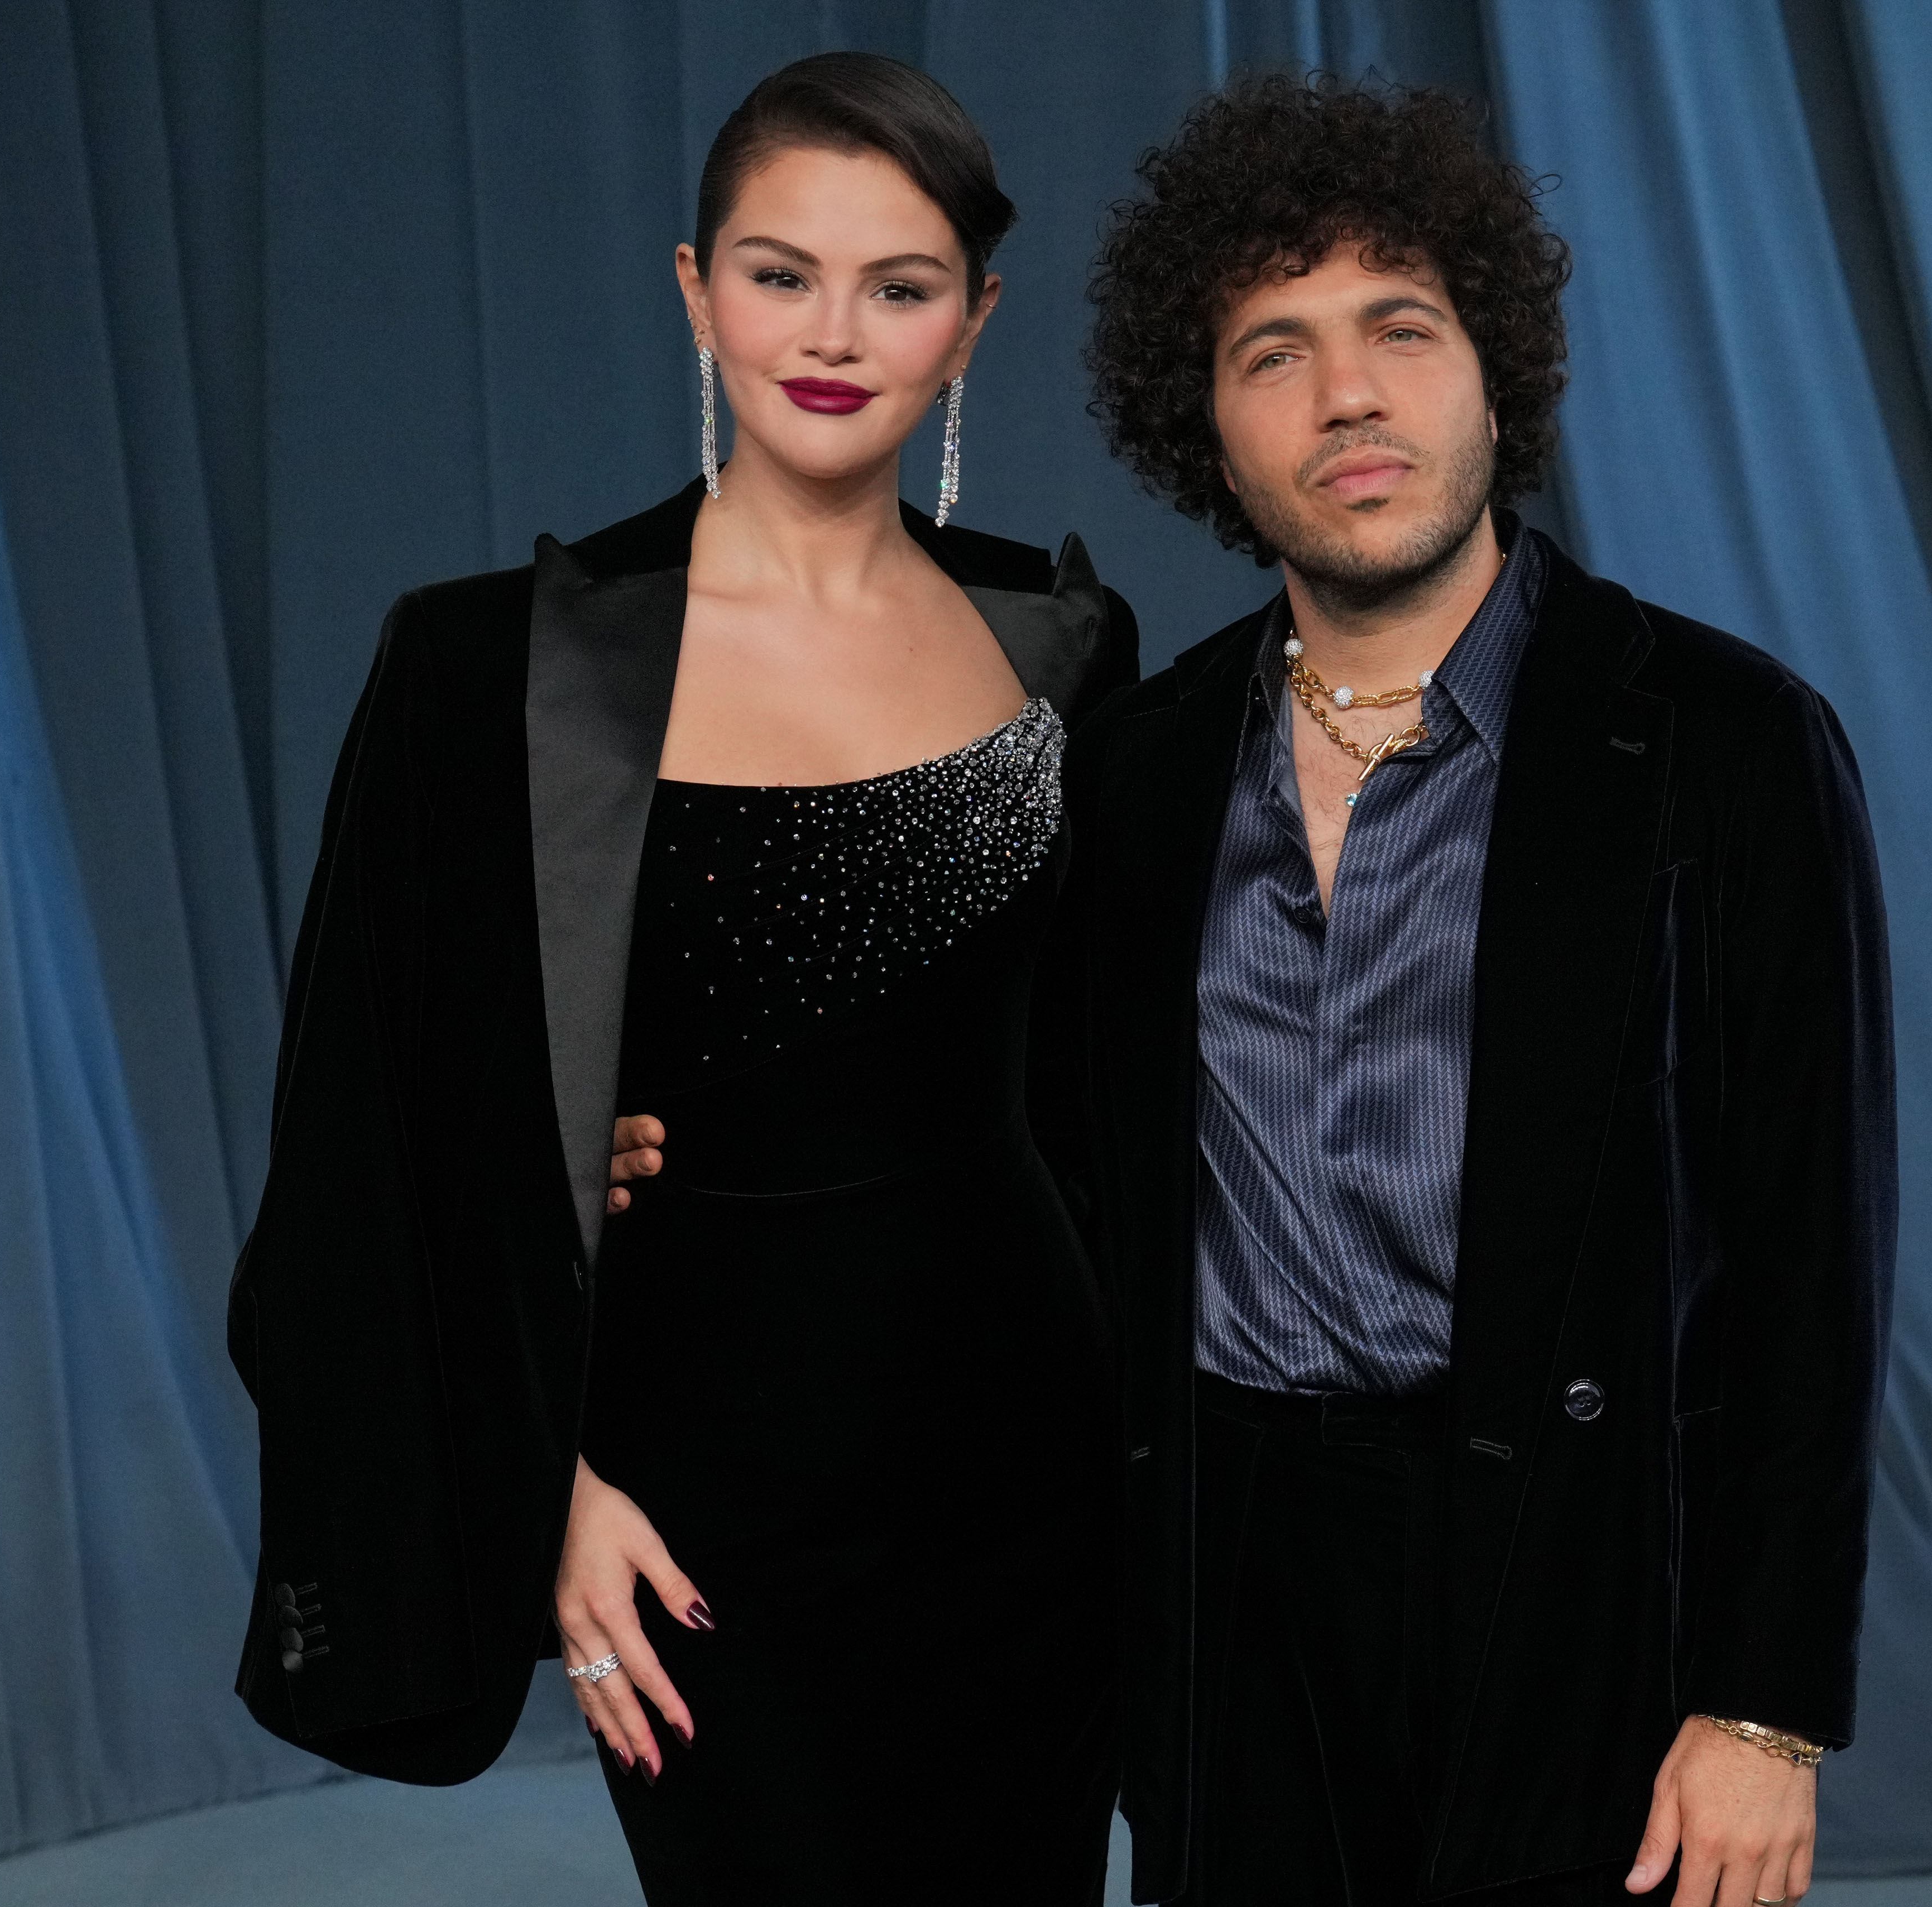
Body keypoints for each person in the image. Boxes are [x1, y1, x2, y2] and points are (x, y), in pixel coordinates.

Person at [226, 51, 1136, 1905]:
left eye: (899, 284)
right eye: (780, 272)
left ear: (973, 320)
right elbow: (365, 1132)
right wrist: (544, 1486)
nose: (833, 333)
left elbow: (1106, 1089)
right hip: (693, 1470)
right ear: (694, 288)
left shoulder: (1065, 642)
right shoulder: (493, 665)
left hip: (1022, 1440)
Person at [1056, 76, 1895, 1907]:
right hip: (1230, 1594)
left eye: (1400, 329)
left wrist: (1764, 1705)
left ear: (1492, 374)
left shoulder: (1725, 743)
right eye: (1273, 351)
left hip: (1577, 1575)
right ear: (1205, 428)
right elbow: (1025, 1170)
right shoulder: (1134, 771)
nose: (1346, 394)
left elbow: (1809, 1262)